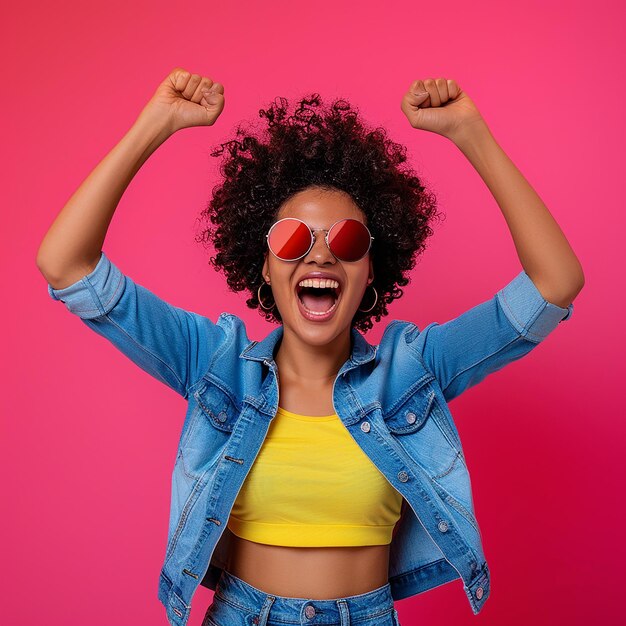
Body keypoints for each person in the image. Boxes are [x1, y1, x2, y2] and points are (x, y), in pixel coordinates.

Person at [37, 68, 584, 626]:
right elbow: (67, 266)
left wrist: (471, 133)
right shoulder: (214, 364)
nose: (319, 257)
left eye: (346, 241)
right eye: (293, 239)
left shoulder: (413, 370)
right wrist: (156, 124)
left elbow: (553, 286)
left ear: (371, 270)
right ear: (265, 266)